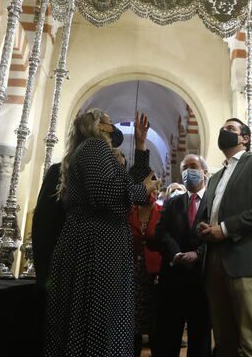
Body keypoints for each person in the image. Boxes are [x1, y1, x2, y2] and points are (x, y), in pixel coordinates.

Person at [44, 110, 154, 357]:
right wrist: (142, 192)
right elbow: (107, 194)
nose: (114, 126)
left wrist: (141, 145)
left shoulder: (90, 150)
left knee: (103, 318)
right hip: (98, 247)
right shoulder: (95, 147)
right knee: (100, 319)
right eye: (110, 122)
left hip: (98, 243)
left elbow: (125, 185)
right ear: (99, 127)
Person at [31, 124, 127, 356]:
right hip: (73, 268)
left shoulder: (112, 183)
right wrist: (46, 277)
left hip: (104, 272)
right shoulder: (59, 173)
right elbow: (44, 227)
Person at [196, 118, 252, 357]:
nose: (224, 131)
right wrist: (203, 228)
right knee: (224, 341)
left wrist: (224, 229)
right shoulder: (215, 177)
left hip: (247, 260)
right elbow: (203, 216)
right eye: (222, 128)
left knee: (251, 340)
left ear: (245, 138)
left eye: (231, 129)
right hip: (213, 261)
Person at [154, 154, 212, 357]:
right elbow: (161, 232)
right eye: (185, 168)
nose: (188, 171)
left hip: (203, 279)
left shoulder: (214, 202)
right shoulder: (172, 203)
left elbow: (217, 234)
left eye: (193, 166)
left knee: (200, 337)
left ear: (204, 172)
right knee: (167, 337)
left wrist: (198, 254)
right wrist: (177, 254)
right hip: (174, 279)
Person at [130, 171, 162, 354]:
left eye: (154, 190)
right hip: (132, 271)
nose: (152, 194)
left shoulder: (162, 212)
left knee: (153, 320)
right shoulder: (130, 211)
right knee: (132, 320)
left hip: (154, 273)